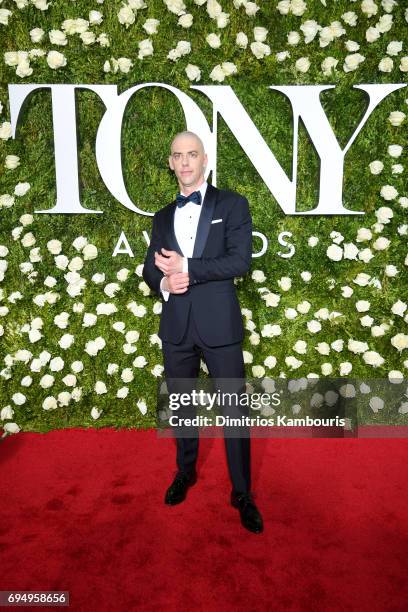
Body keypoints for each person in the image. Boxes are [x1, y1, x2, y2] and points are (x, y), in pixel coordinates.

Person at [142, 130, 263, 534]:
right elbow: (148, 269)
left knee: (233, 410)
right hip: (176, 326)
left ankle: (242, 492)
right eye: (178, 155)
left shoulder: (232, 204)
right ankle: (185, 473)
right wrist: (164, 285)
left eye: (192, 154)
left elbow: (239, 261)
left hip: (219, 325)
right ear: (171, 163)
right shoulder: (160, 216)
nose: (186, 161)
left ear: (204, 159)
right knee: (181, 406)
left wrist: (188, 269)